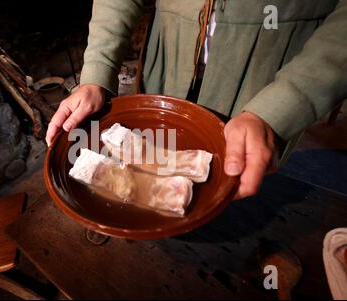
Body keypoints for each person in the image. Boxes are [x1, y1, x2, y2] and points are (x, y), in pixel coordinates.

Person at [46, 0, 347, 200]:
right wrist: (97, 73)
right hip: (167, 60)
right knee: (151, 168)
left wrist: (282, 105)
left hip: (271, 68)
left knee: (237, 184)